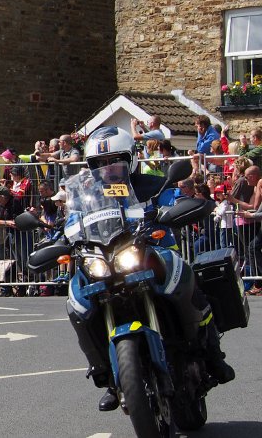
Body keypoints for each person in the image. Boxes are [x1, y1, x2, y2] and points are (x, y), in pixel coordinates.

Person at [76, 126, 235, 413]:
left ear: (132, 159)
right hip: (110, 260)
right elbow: (73, 220)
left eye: (115, 161)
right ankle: (110, 375)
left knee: (189, 284)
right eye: (99, 164)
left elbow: (175, 201)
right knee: (79, 300)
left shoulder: (154, 185)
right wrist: (56, 236)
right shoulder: (89, 197)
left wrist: (175, 209)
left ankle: (213, 356)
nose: (108, 168)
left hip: (154, 252)